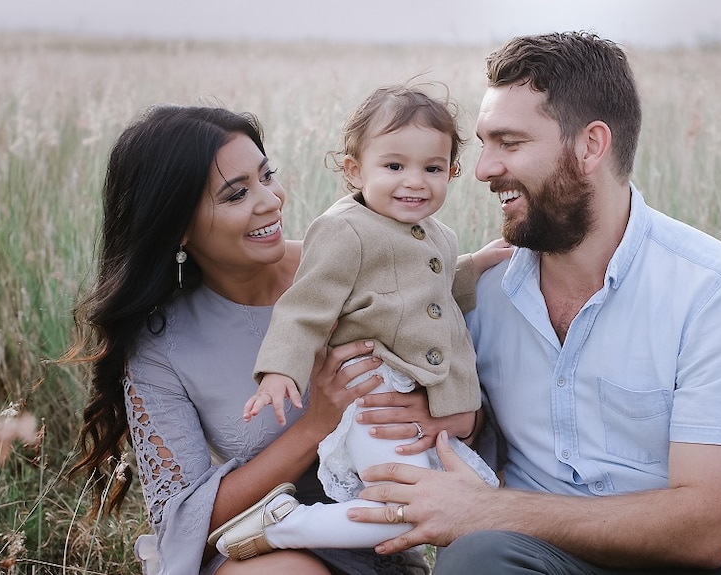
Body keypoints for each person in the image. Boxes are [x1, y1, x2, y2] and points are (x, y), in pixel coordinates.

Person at [345, 32, 721, 574]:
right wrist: (450, 421)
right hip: (535, 561)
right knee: (482, 556)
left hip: (708, 566)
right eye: (484, 144)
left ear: (591, 146)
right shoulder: (478, 293)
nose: (482, 169)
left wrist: (489, 509)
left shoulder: (715, 291)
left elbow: (704, 529)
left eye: (510, 143)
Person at [64, 104, 470, 575]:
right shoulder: (160, 349)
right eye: (236, 195)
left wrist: (448, 415)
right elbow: (181, 524)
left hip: (384, 534)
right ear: (177, 226)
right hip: (259, 550)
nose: (271, 200)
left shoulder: (347, 268)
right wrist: (315, 424)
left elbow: (450, 335)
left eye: (267, 175)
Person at [210, 84, 506, 560]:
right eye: (394, 166)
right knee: (404, 512)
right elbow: (304, 307)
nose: (415, 181)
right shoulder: (343, 229)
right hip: (375, 398)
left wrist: (474, 265)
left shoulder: (439, 234)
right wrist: (279, 370)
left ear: (451, 171)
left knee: (473, 501)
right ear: (355, 169)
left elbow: (433, 294)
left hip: (417, 400)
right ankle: (287, 523)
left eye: (432, 168)